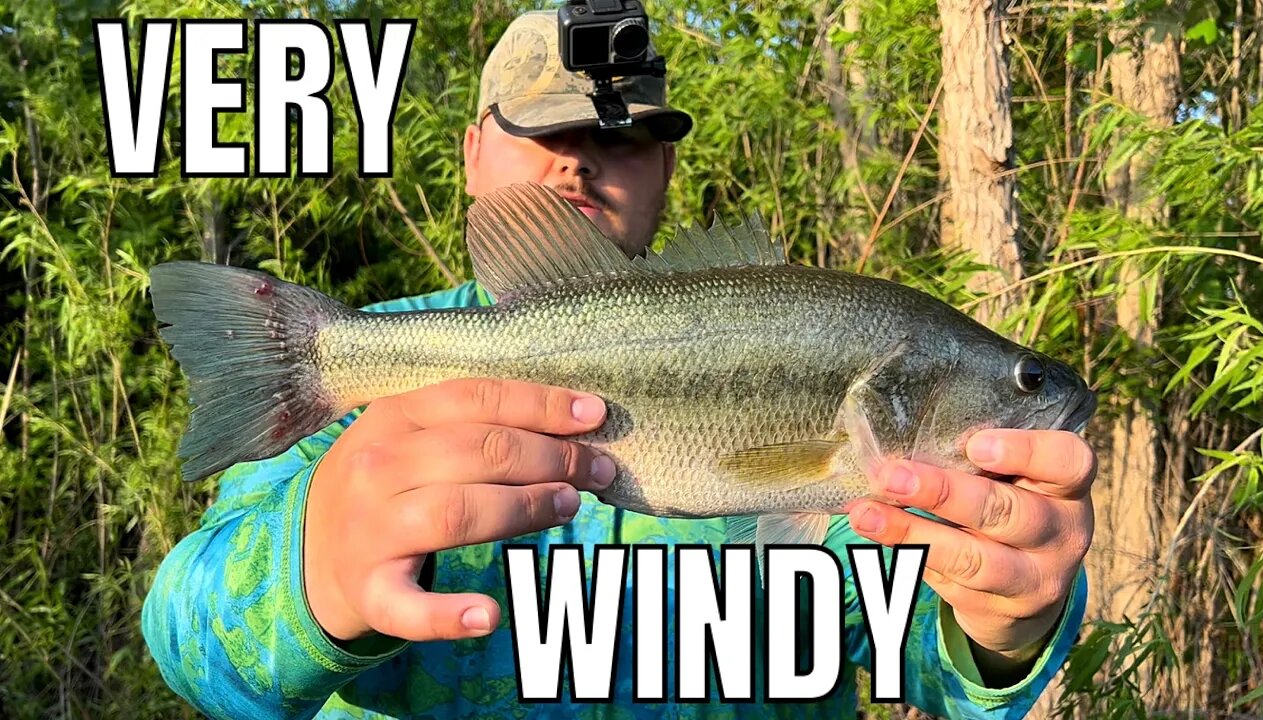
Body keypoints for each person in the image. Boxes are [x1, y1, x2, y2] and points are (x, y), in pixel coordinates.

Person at [143, 10, 1094, 719]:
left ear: (666, 171)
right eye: (547, 130)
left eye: (622, 138)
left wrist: (1008, 619)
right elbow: (191, 645)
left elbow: (936, 661)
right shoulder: (361, 373)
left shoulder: (896, 456)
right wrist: (313, 572)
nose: (581, 164)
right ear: (473, 153)